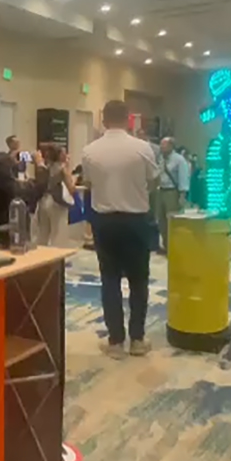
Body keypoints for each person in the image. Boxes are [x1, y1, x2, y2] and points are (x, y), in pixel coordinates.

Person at [81, 101, 159, 360]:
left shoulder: (90, 151)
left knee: (110, 280)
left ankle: (115, 341)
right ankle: (137, 339)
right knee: (139, 281)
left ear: (104, 120)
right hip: (136, 221)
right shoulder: (142, 148)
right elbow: (154, 181)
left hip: (105, 223)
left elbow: (89, 184)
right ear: (128, 120)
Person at [36, 144, 77, 248]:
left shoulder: (46, 167)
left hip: (43, 200)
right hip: (57, 202)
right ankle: (57, 256)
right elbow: (71, 188)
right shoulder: (62, 169)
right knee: (58, 234)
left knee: (43, 233)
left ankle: (41, 254)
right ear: (60, 155)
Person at [156, 137, 191, 253]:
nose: (161, 147)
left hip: (172, 192)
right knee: (161, 220)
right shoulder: (161, 159)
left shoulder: (179, 160)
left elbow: (183, 178)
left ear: (171, 146)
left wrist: (182, 195)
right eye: (161, 145)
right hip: (161, 191)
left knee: (172, 220)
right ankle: (166, 245)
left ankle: (174, 247)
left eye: (164, 145)